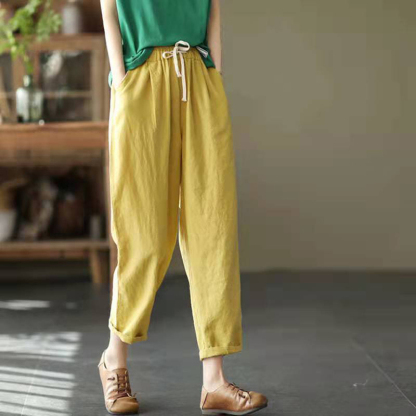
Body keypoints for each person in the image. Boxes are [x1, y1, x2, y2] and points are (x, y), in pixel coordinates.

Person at [98, 0, 268, 414]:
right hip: (141, 77)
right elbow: (108, 6)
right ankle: (113, 360)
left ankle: (215, 381)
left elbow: (213, 8)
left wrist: (215, 73)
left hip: (198, 75)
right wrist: (121, 77)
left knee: (213, 227)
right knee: (144, 234)